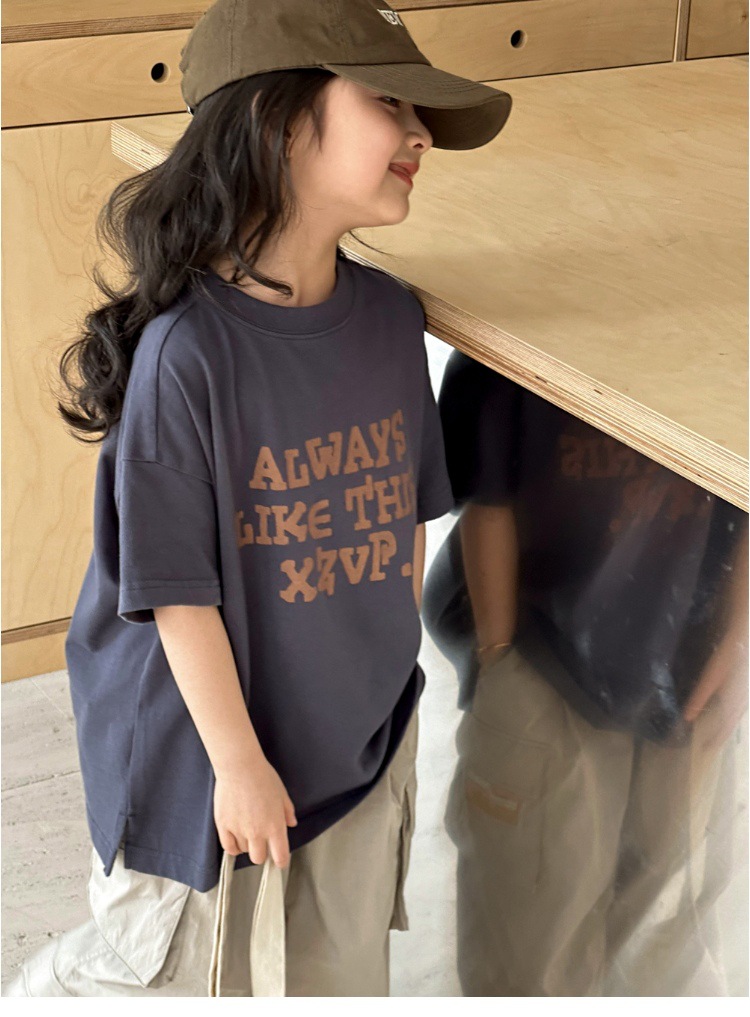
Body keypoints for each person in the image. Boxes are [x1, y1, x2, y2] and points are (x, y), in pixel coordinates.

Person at [3, 0, 513, 998]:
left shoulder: (389, 319)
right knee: (184, 980)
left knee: (337, 977)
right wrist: (237, 763)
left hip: (357, 747)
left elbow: (404, 519)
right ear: (276, 122)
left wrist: (381, 692)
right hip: (205, 758)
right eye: (388, 102)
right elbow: (174, 591)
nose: (419, 133)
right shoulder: (188, 357)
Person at [422, 352, 748, 995]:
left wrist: (737, 640)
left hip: (692, 661)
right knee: (531, 947)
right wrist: (502, 658)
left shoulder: (724, 321)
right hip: (546, 656)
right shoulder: (530, 326)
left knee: (664, 939)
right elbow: (488, 497)